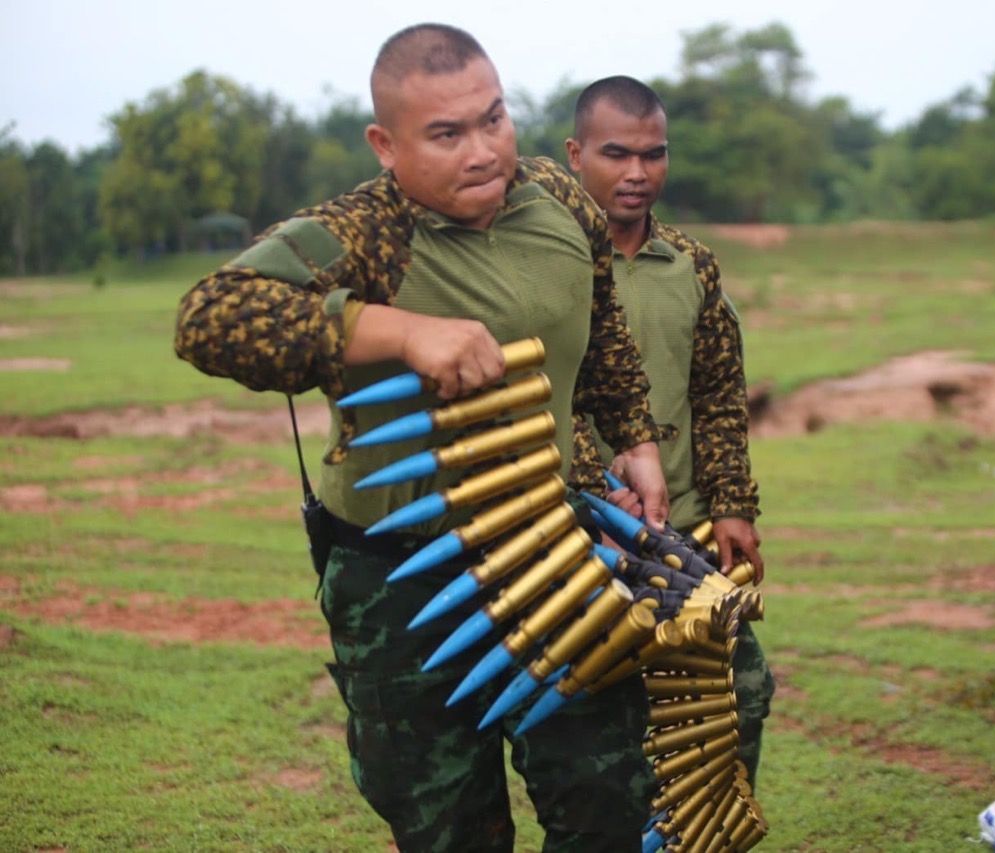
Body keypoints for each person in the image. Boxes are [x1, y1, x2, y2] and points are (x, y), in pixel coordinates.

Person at [174, 24, 670, 852]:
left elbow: (600, 311)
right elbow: (209, 317)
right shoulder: (360, 231)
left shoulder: (555, 194)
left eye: (493, 118)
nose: (482, 151)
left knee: (609, 804)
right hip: (401, 575)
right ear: (386, 145)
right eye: (446, 134)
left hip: (550, 547)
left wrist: (634, 438)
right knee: (450, 828)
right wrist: (396, 331)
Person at [564, 76, 775, 782]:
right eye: (616, 154)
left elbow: (718, 395)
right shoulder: (549, 266)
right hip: (578, 538)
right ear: (575, 155)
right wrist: (591, 489)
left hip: (683, 535)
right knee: (594, 740)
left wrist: (733, 503)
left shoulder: (690, 264)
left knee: (736, 704)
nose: (637, 173)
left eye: (653, 155)